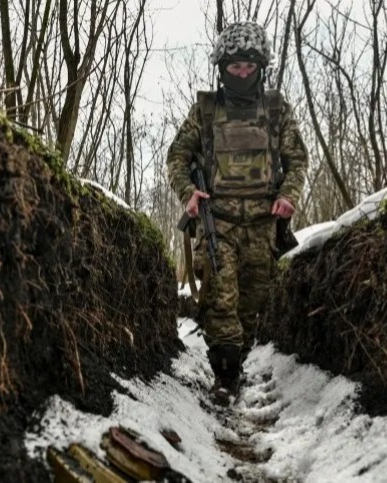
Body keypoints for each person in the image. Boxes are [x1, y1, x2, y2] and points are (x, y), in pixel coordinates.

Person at [166, 21, 308, 405]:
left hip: (264, 226)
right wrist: (188, 193)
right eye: (235, 67)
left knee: (252, 305)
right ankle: (225, 377)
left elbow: (297, 160)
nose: (242, 73)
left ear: (261, 67)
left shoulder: (276, 109)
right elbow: (176, 157)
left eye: (249, 67)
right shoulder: (206, 111)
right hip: (219, 225)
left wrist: (289, 195)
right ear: (222, 68)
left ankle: (237, 361)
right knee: (221, 301)